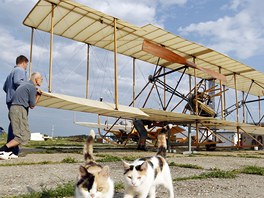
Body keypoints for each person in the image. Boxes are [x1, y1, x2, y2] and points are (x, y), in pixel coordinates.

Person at [0, 72, 42, 160]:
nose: (41, 80)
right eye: (41, 79)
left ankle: (8, 152)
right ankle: (2, 150)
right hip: (19, 110)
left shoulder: (24, 84)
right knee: (22, 136)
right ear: (36, 79)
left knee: (21, 135)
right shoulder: (31, 87)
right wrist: (38, 95)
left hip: (14, 108)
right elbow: (32, 105)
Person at [3, 55, 28, 158]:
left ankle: (13, 150)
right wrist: (30, 87)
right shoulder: (19, 70)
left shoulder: (10, 73)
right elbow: (18, 82)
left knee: (13, 125)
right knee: (18, 126)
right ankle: (9, 150)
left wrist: (11, 93)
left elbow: (4, 87)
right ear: (23, 63)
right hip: (17, 102)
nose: (26, 67)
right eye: (26, 64)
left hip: (10, 100)